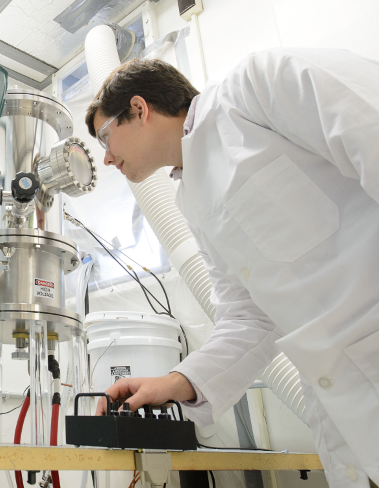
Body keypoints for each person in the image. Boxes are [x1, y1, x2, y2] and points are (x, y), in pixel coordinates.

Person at [85, 50, 379, 487]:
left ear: (139, 109)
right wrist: (176, 382)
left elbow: (369, 134)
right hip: (347, 421)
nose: (107, 158)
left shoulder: (255, 89)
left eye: (105, 138)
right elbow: (248, 318)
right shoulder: (193, 200)